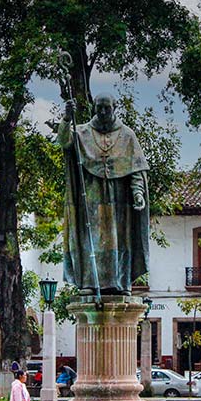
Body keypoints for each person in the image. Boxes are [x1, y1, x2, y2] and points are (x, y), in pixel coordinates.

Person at [58, 94, 150, 296]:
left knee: (120, 240)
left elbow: (136, 168)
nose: (102, 112)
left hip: (120, 201)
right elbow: (64, 141)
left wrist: (138, 193)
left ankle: (121, 282)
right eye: (98, 108)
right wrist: (66, 118)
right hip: (91, 198)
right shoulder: (82, 132)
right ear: (93, 108)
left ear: (114, 108)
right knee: (92, 240)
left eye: (106, 108)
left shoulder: (127, 136)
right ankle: (90, 282)